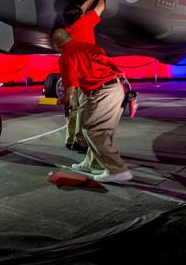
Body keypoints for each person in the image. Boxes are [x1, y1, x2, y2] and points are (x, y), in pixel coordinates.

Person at [52, 28, 132, 183]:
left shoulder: (66, 56)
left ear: (56, 46)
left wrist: (64, 100)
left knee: (94, 131)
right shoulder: (91, 47)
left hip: (103, 91)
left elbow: (70, 88)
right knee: (99, 130)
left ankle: (117, 170)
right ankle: (92, 163)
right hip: (116, 88)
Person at [61, 0, 106, 153]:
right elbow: (101, 7)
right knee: (84, 109)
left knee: (73, 108)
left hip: (70, 75)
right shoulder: (85, 23)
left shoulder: (68, 28)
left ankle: (70, 138)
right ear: (80, 16)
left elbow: (82, 10)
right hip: (84, 74)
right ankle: (80, 141)